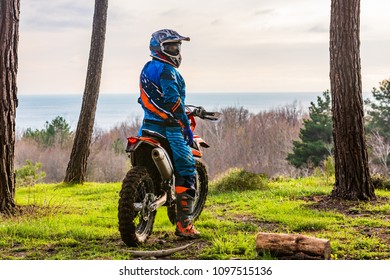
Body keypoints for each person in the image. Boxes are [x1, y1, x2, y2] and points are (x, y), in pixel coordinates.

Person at [137, 29, 200, 239]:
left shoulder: (147, 68)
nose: (176, 50)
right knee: (187, 168)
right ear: (159, 48)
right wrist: (185, 125)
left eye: (177, 46)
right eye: (171, 46)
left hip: (147, 127)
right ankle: (184, 225)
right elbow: (173, 101)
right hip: (169, 129)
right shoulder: (168, 71)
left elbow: (146, 97)